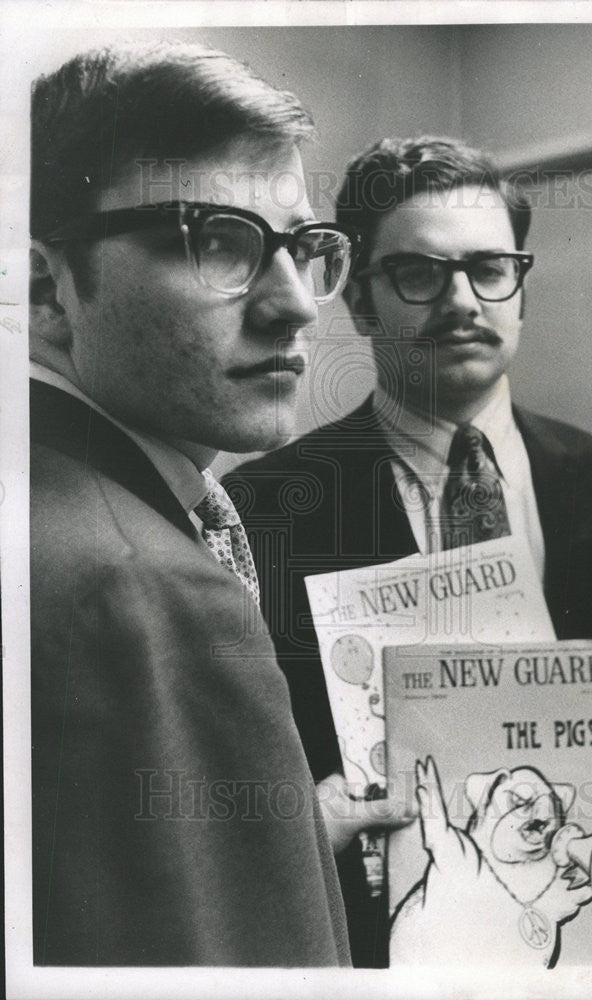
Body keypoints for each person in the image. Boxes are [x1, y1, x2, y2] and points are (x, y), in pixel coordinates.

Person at [228, 136, 592, 968]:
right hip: (377, 942)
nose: (461, 302)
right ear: (362, 303)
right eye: (418, 274)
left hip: (589, 935)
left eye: (489, 269)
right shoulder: (269, 502)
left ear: (520, 288)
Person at [29, 40, 362, 966]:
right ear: (43, 291)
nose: (293, 304)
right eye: (217, 242)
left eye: (304, 248)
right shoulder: (139, 589)